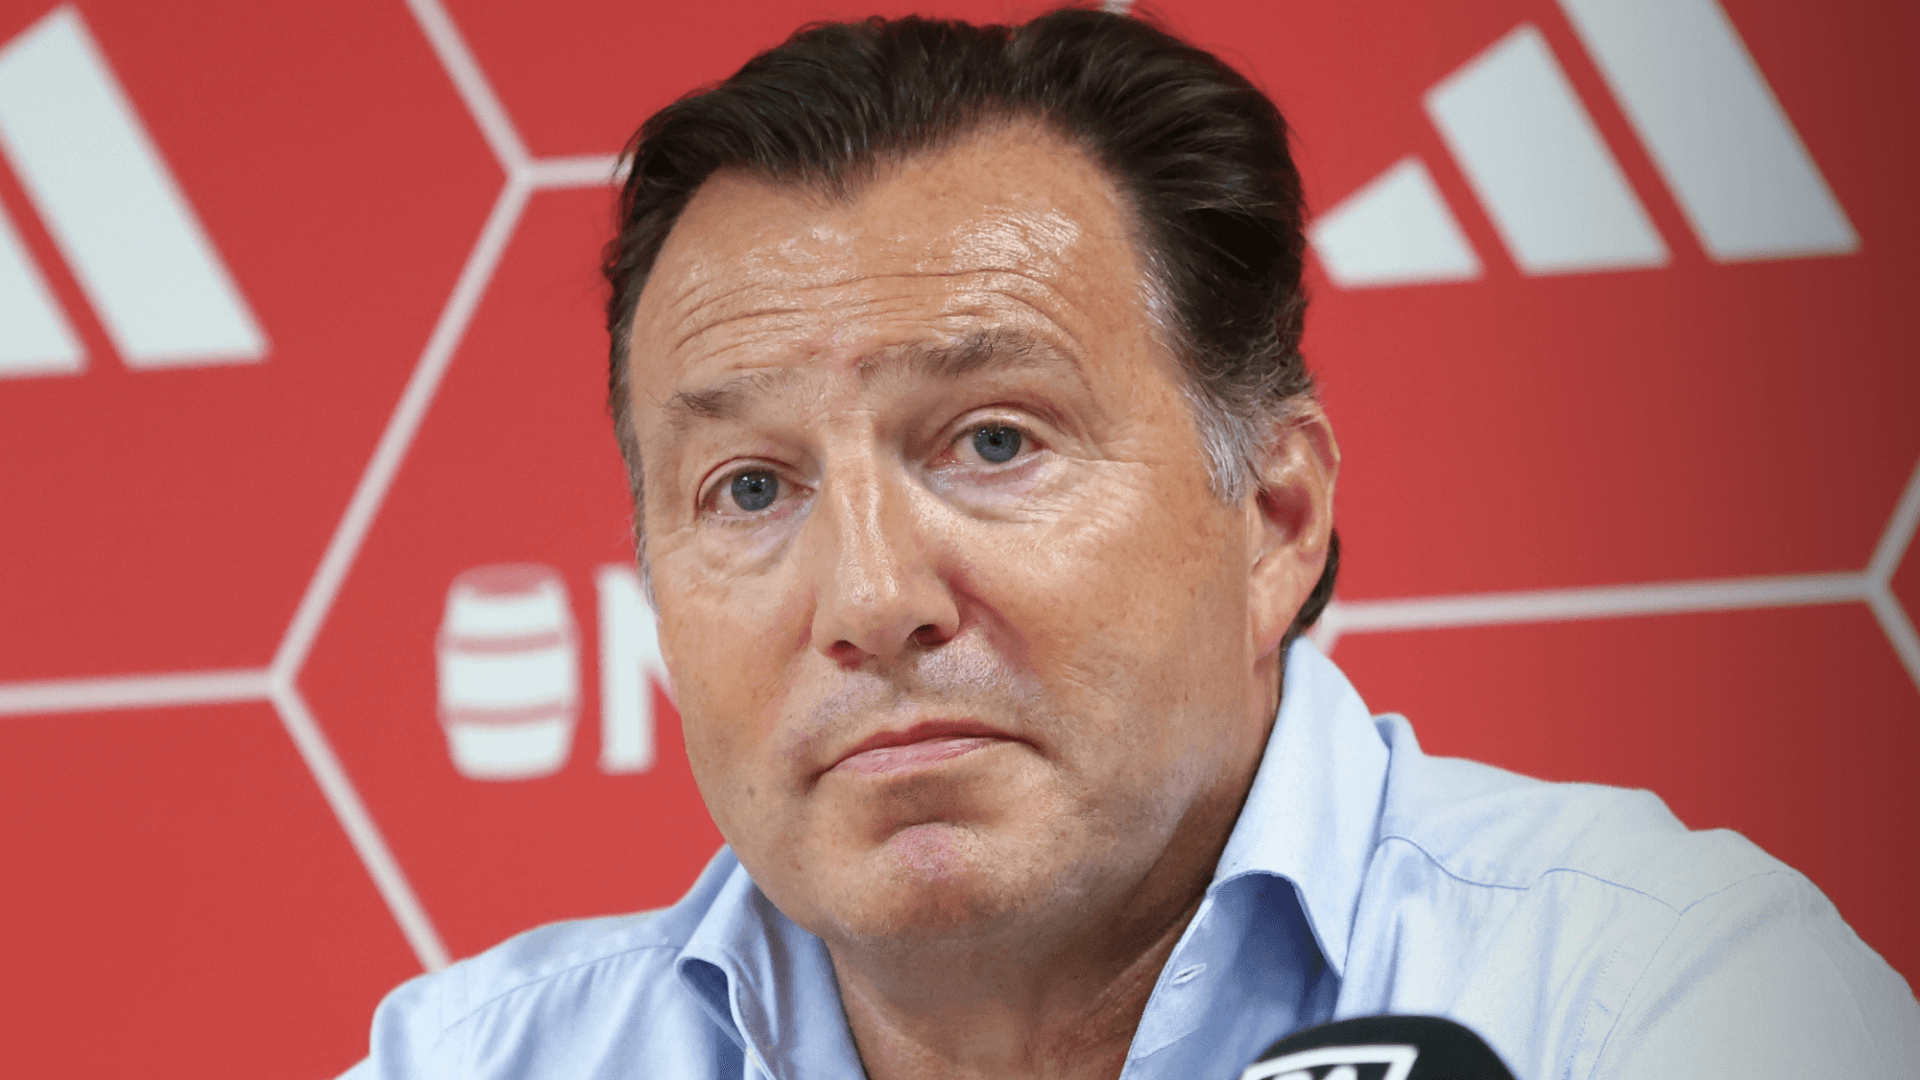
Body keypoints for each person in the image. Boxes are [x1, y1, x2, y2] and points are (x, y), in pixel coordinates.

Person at [346, 9, 1919, 1078]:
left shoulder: (1655, 1001)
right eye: (751, 489)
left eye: (994, 442)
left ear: (1276, 518)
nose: (873, 598)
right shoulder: (474, 1063)